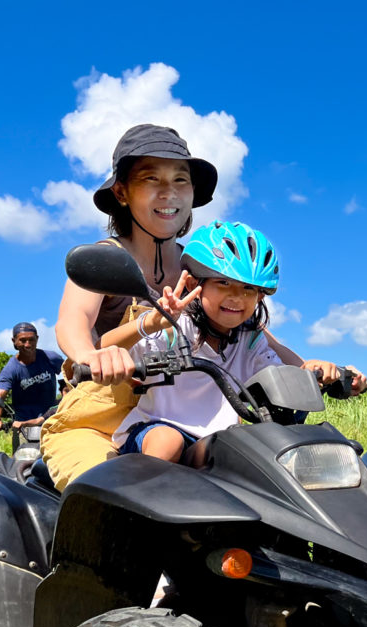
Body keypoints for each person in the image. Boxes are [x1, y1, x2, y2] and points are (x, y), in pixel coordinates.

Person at [40, 123, 335, 489]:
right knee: (110, 500)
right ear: (121, 191)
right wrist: (92, 356)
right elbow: (72, 323)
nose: (169, 193)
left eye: (180, 180)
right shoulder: (106, 258)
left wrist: (314, 370)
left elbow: (260, 338)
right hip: (98, 421)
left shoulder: (204, 266)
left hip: (189, 418)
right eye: (152, 179)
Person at [112, 221, 341, 465]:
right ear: (193, 284)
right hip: (154, 430)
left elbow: (278, 375)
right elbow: (106, 348)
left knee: (248, 455)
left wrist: (317, 372)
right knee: (168, 442)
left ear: (260, 295)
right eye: (223, 283)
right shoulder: (172, 327)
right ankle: (143, 498)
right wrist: (149, 325)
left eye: (248, 288)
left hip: (216, 442)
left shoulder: (251, 341)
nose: (236, 297)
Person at [0, 322, 64, 431]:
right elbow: (0, 395)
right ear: (14, 341)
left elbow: (69, 375)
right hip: (23, 425)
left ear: (37, 339)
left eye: (31, 340)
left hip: (52, 420)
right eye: (23, 340)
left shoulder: (50, 358)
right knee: (25, 448)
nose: (27, 345)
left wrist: (65, 395)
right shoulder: (11, 369)